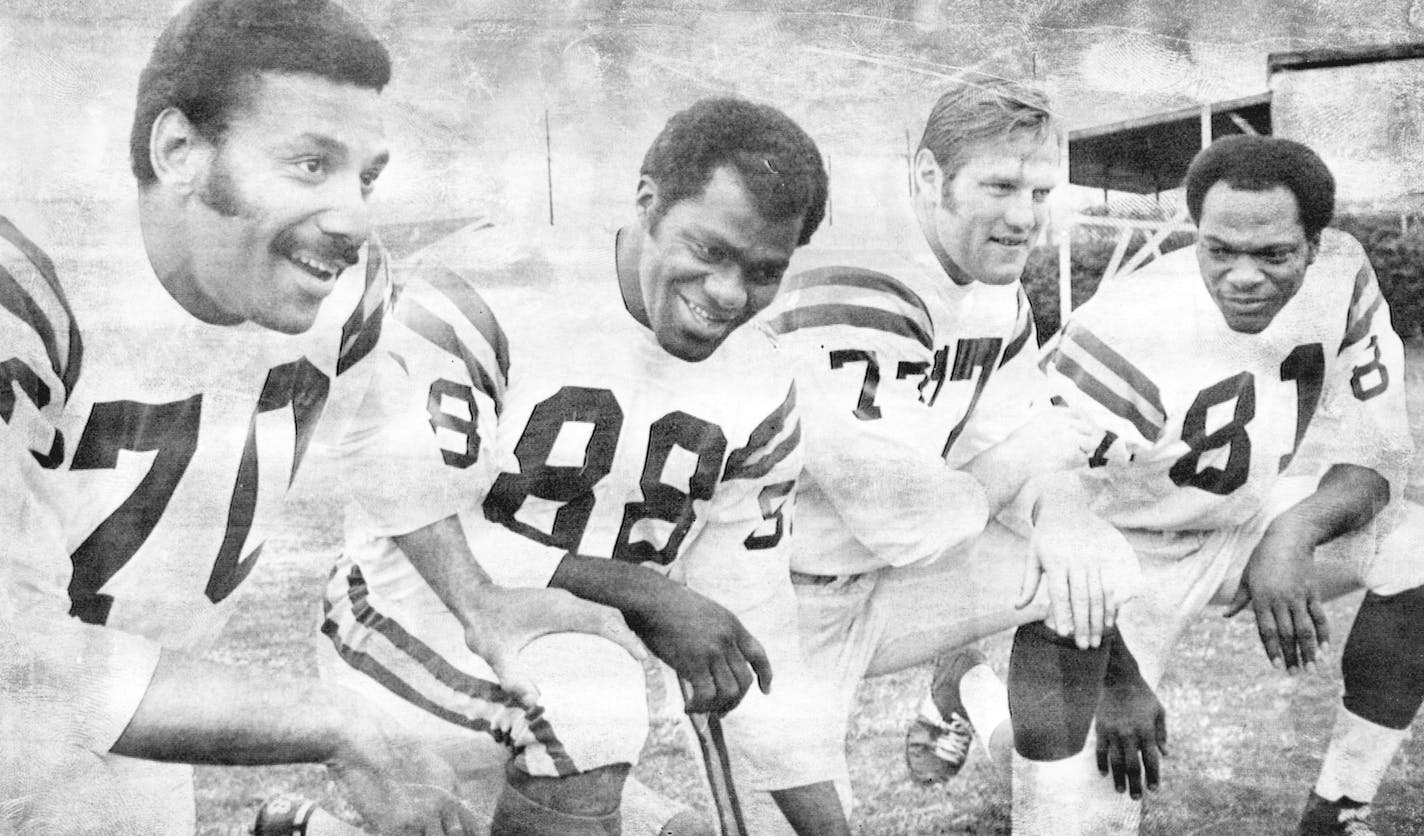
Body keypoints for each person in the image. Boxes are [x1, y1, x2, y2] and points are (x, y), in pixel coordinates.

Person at [0, 1, 642, 832]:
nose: (354, 217)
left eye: (365, 178)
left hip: (130, 718)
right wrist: (338, 723)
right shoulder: (30, 297)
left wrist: (477, 599)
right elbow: (18, 660)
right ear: (179, 151)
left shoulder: (344, 297)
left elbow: (380, 439)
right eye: (310, 164)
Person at [318, 96, 850, 836]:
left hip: (559, 686)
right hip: (402, 625)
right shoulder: (499, 288)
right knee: (595, 701)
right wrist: (638, 589)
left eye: (763, 271)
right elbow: (420, 514)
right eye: (709, 251)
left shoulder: (760, 385)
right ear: (647, 202)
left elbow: (749, 632)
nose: (729, 294)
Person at [1010, 134, 1424, 835]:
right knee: (1077, 816)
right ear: (1194, 235)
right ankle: (974, 692)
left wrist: (1295, 532)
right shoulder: (1127, 325)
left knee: (1417, 549)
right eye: (1219, 249)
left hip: (1242, 520)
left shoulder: (1343, 276)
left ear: (1315, 245)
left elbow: (1377, 456)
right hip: (1114, 552)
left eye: (1273, 255)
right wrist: (1118, 677)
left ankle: (1340, 806)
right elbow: (1041, 509)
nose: (1243, 276)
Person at [758, 78, 1137, 830]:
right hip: (777, 603)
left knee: (1093, 567)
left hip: (890, 587)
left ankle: (1056, 820)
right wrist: (1033, 453)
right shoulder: (863, 279)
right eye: (1000, 185)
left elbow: (1022, 445)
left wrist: (1061, 511)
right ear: (930, 177)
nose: (1025, 217)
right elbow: (906, 520)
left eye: (1040, 192)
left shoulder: (997, 292)